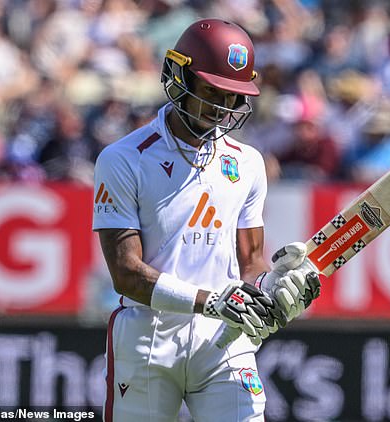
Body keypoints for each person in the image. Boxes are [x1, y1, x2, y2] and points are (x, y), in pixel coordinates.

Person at [92, 19, 320, 421]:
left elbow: (250, 264)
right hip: (149, 336)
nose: (221, 108)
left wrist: (274, 289)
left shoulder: (247, 163)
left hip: (223, 340)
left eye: (233, 97)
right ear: (178, 75)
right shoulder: (124, 158)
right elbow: (126, 274)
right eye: (212, 91)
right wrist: (212, 301)